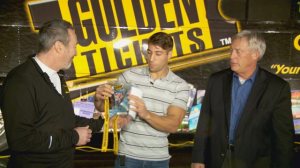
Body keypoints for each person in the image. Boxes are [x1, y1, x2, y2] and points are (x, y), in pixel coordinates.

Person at [0, 19, 104, 168]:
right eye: (74, 46)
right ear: (58, 47)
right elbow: (21, 140)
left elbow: (63, 118)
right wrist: (73, 137)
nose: (75, 52)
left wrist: (103, 122)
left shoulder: (57, 76)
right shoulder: (20, 81)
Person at [191, 30, 295, 168]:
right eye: (231, 51)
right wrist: (198, 157)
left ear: (255, 55)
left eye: (238, 51)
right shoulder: (216, 81)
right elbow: (204, 121)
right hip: (217, 160)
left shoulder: (277, 88)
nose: (232, 56)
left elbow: (284, 138)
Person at [94, 32, 190, 168]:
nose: (151, 58)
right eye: (149, 52)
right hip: (127, 156)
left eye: (158, 53)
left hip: (158, 159)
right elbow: (104, 108)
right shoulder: (129, 76)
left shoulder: (180, 86)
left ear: (169, 55)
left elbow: (173, 125)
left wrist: (146, 114)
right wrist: (98, 98)